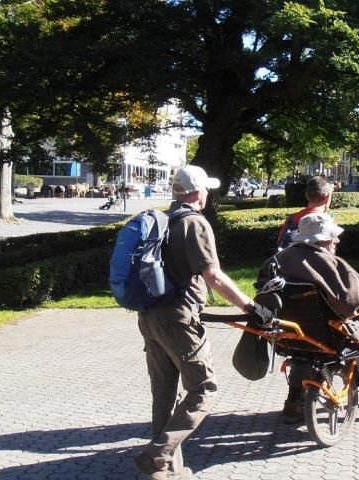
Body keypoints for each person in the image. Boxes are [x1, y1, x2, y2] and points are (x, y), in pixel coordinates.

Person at [134, 165, 264, 480]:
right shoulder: (194, 223)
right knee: (204, 388)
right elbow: (214, 276)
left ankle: (164, 471)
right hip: (178, 319)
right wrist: (249, 305)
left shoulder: (162, 220)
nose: (208, 193)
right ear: (197, 192)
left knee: (164, 392)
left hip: (149, 316)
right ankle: (157, 455)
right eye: (206, 188)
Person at [258, 213, 359, 424]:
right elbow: (355, 302)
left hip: (290, 333)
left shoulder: (276, 260)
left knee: (304, 346)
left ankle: (294, 401)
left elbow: (261, 291)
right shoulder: (330, 263)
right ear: (324, 239)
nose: (337, 241)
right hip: (331, 334)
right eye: (334, 237)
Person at [276, 175, 333, 250]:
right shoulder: (328, 221)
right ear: (327, 197)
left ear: (307, 195)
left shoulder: (291, 220)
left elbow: (280, 245)